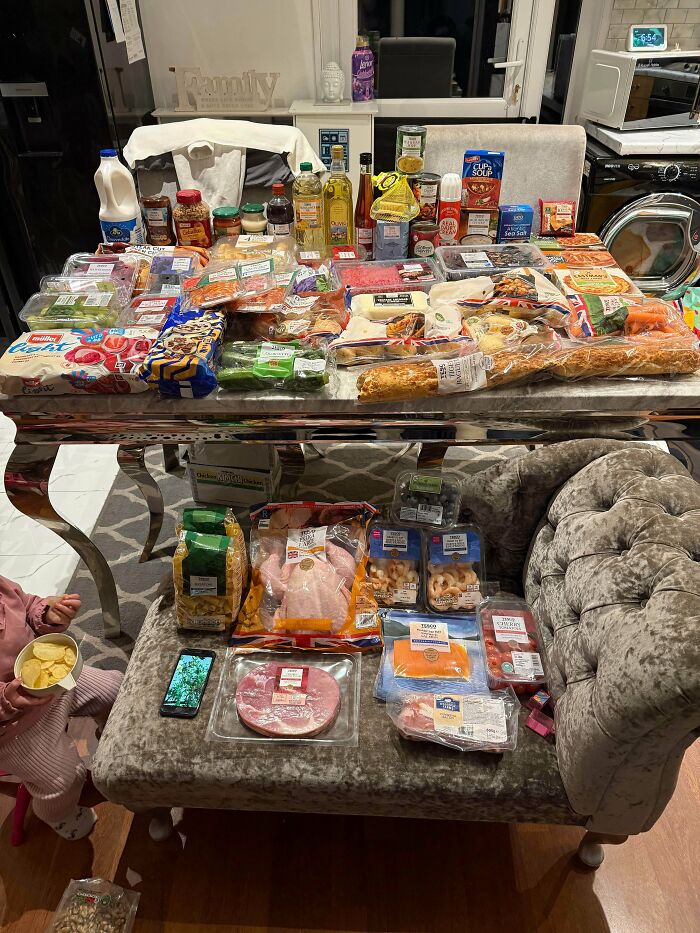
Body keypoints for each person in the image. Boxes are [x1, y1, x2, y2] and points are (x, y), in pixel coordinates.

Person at [0, 575, 123, 840]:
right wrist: (6, 701)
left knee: (115, 689)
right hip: (14, 729)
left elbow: (25, 603)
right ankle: (59, 816)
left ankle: (112, 743)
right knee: (62, 780)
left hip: (52, 684)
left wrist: (46, 614)